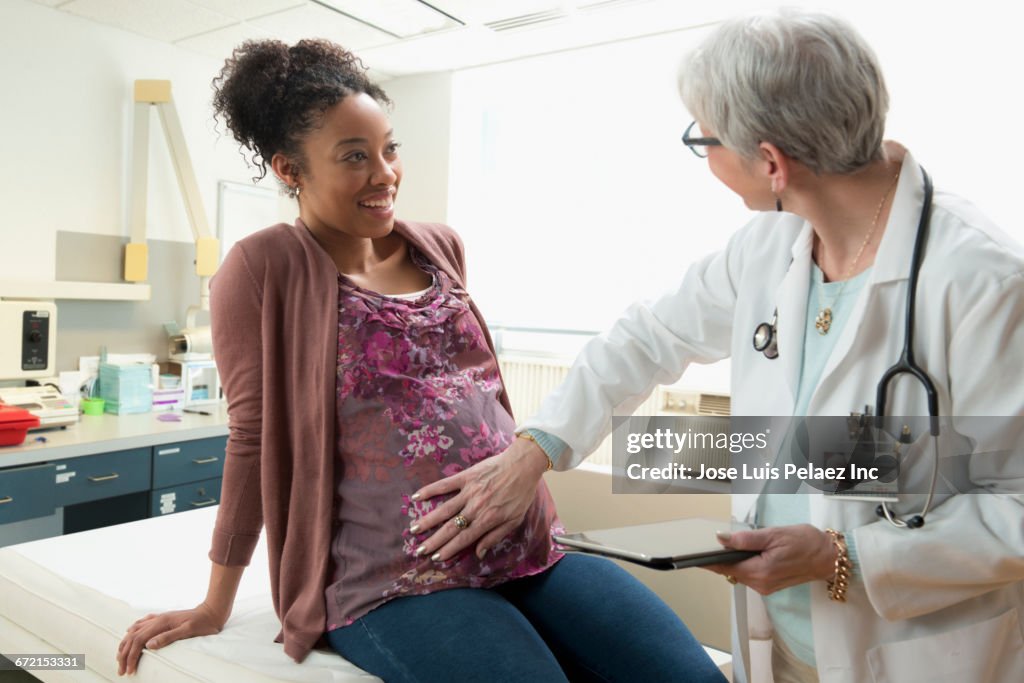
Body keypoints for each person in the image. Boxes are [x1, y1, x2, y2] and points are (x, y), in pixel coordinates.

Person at [410, 9, 1024, 682]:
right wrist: (539, 447)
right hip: (780, 642)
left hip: (919, 653)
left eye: (704, 139)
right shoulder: (770, 245)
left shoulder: (982, 280)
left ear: (771, 161)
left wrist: (840, 554)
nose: (705, 155)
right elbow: (648, 335)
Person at [114, 38, 725, 683]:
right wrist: (218, 602)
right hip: (396, 577)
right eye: (354, 157)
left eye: (389, 148)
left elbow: (474, 389)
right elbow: (254, 436)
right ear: (291, 170)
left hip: (531, 547)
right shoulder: (262, 268)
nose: (385, 174)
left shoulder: (440, 245)